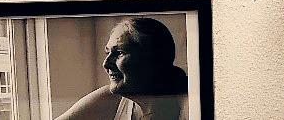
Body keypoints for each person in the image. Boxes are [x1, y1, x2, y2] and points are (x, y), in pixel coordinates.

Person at [57, 18, 188, 120]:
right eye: (107, 52)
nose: (105, 64)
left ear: (152, 58)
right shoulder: (109, 99)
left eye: (119, 53)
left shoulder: (190, 105)